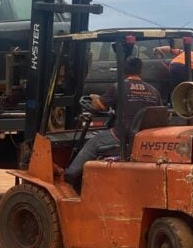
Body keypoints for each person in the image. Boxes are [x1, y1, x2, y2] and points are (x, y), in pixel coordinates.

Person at [64, 56, 162, 190]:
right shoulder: (154, 91)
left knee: (94, 142)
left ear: (123, 71)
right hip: (143, 139)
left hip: (122, 138)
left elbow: (99, 106)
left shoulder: (118, 88)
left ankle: (69, 176)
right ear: (141, 71)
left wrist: (94, 98)